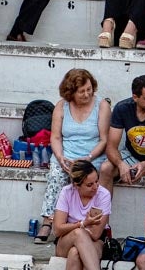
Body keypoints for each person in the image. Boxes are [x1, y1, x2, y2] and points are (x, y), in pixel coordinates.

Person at [35, 69, 113, 243]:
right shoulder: (61, 106)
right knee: (56, 174)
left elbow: (103, 140)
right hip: (67, 156)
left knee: (88, 179)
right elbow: (55, 137)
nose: (86, 94)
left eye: (89, 89)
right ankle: (48, 221)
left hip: (92, 157)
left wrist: (88, 158)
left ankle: (94, 223)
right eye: (81, 91)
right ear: (71, 92)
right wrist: (61, 157)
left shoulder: (102, 106)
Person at [52, 160, 113, 270]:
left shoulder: (103, 194)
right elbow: (57, 230)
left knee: (75, 252)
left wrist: (78, 227)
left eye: (97, 181)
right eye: (89, 185)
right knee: (78, 234)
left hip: (95, 242)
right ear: (76, 185)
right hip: (65, 241)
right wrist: (83, 224)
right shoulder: (67, 192)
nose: (95, 187)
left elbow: (96, 234)